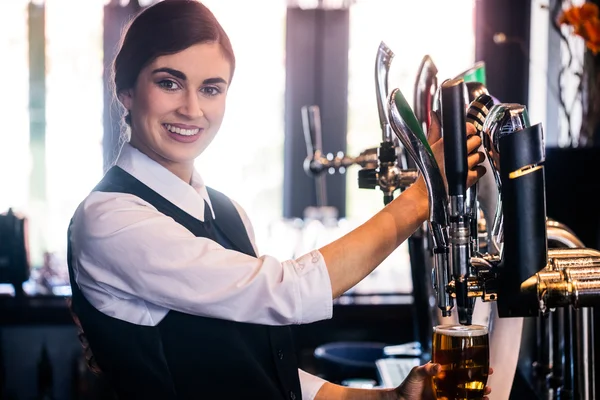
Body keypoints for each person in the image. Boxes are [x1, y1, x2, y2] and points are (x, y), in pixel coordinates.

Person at [67, 1, 490, 399]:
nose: (191, 109)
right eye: (169, 82)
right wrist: (422, 195)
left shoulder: (226, 212)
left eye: (211, 88)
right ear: (125, 90)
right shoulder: (110, 217)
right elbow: (286, 293)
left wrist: (391, 397)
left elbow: (264, 372)